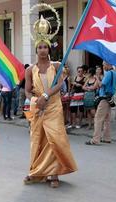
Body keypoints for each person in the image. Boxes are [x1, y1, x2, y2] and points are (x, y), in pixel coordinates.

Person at [24, 38, 77, 188]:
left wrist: (46, 96)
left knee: (54, 139)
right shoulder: (30, 70)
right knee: (38, 139)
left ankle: (54, 173)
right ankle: (37, 171)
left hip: (54, 106)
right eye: (39, 47)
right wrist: (35, 100)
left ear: (49, 49)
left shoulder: (56, 66)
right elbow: (27, 91)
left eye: (45, 47)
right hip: (39, 108)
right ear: (36, 50)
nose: (42, 50)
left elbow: (60, 84)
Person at [85, 61, 116, 145]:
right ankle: (107, 138)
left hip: (104, 98)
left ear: (108, 64)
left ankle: (95, 140)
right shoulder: (115, 73)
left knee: (97, 119)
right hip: (110, 98)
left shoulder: (108, 73)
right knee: (107, 119)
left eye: (104, 65)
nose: (103, 66)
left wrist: (97, 78)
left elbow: (101, 85)